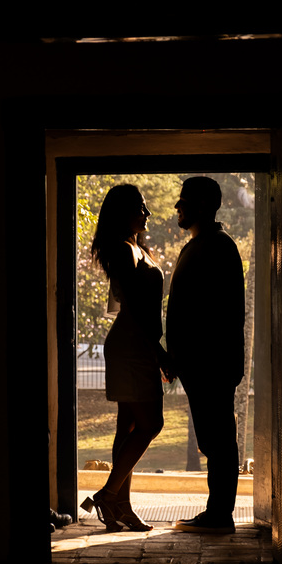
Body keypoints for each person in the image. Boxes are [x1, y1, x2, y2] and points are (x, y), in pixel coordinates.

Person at [79, 184, 167, 532]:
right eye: (140, 208)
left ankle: (121, 508)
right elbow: (135, 307)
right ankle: (109, 493)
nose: (146, 214)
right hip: (133, 346)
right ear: (123, 212)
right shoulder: (122, 249)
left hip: (132, 343)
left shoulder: (132, 247)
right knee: (152, 423)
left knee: (128, 426)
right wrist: (158, 351)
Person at [163, 176, 245, 534]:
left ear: (200, 206)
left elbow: (214, 315)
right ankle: (217, 511)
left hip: (211, 363)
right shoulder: (202, 246)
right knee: (215, 438)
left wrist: (182, 357)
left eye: (183, 201)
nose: (177, 207)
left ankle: (219, 514)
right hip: (202, 363)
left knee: (218, 439)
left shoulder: (215, 248)